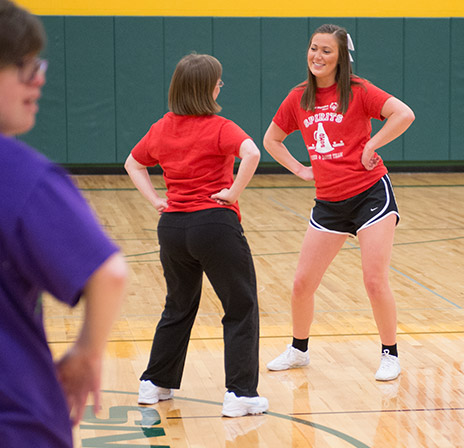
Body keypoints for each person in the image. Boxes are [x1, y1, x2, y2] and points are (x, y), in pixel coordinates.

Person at [0, 1, 127, 448]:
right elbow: (110, 273)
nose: (38, 78)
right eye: (24, 64)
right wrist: (86, 352)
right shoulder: (20, 174)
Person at [264, 24, 415, 381]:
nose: (317, 56)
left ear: (341, 57)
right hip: (329, 202)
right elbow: (272, 139)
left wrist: (371, 145)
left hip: (370, 195)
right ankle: (298, 349)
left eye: (326, 51)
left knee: (374, 279)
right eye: (313, 48)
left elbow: (403, 114)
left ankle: (390, 354)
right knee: (302, 283)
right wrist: (300, 170)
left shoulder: (358, 90)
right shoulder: (299, 96)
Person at [125, 53, 269, 417]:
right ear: (208, 88)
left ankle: (154, 383)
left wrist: (156, 200)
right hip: (214, 225)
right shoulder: (219, 127)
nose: (221, 86)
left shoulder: (162, 127)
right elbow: (251, 153)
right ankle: (240, 394)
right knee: (241, 306)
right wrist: (233, 193)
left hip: (172, 228)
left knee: (178, 304)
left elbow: (133, 162)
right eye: (218, 81)